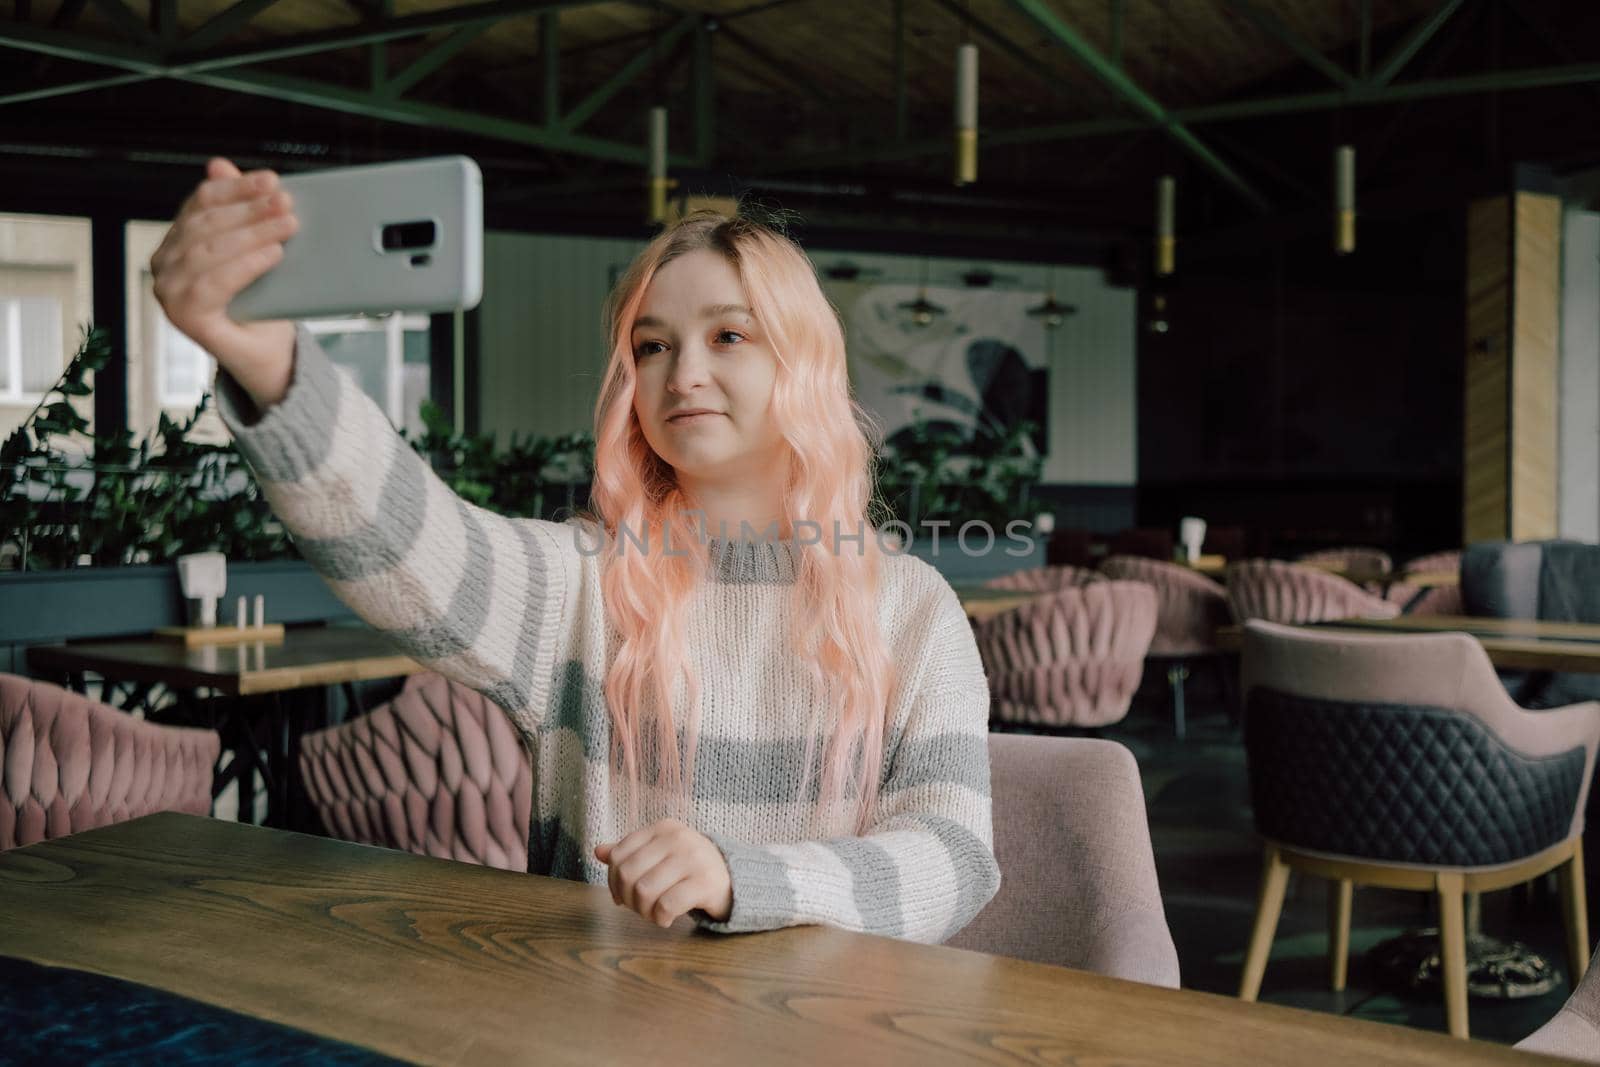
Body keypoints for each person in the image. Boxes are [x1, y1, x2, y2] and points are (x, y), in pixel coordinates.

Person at [153, 158, 1000, 941]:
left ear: (805, 364)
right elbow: (415, 548)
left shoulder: (913, 607)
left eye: (729, 336)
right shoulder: (585, 581)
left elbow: (954, 859)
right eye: (653, 345)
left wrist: (744, 876)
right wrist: (274, 367)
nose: (683, 373)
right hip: (594, 1023)